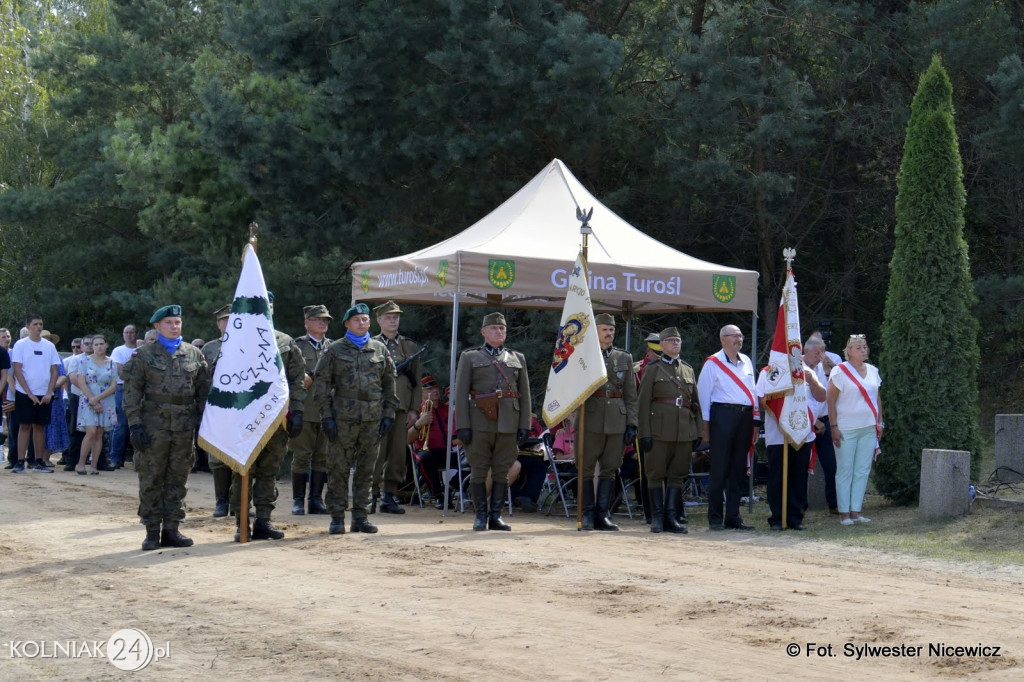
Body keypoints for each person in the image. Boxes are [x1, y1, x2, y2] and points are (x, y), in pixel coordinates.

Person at [123, 305, 210, 551]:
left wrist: (204, 424)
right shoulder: (143, 355)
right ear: (157, 326)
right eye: (169, 322)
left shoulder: (194, 354)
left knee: (178, 478)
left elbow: (203, 392)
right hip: (153, 427)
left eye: (178, 322)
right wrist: (135, 425)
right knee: (151, 477)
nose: (174, 326)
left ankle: (172, 528)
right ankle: (151, 531)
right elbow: (131, 394)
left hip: (184, 427)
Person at [314, 302, 398, 535]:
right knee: (338, 468)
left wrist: (389, 414)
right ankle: (337, 516)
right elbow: (321, 386)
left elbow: (389, 384)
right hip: (343, 420)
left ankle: (361, 516)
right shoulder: (335, 350)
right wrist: (327, 416)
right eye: (357, 320)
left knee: (367, 470)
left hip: (372, 419)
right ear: (347, 324)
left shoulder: (379, 350)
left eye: (365, 319)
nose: (363, 323)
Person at [228, 293, 306, 542]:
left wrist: (298, 411)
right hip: (245, 418)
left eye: (269, 305)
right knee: (243, 471)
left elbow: (296, 379)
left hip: (275, 418)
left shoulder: (285, 341)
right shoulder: (236, 339)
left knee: (268, 471)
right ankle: (242, 524)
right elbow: (223, 380)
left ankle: (263, 521)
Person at [453, 311, 531, 531]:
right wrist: (463, 426)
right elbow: (460, 394)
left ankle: (495, 515)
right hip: (479, 422)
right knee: (479, 470)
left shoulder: (517, 358)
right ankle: (480, 515)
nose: (498, 331)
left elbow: (525, 394)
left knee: (501, 470)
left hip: (508, 422)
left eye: (502, 328)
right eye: (494, 328)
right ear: (483, 332)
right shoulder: (470, 357)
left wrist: (524, 424)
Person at [637, 327, 701, 534]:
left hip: (683, 432)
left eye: (678, 340)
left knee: (677, 475)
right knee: (655, 474)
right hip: (658, 430)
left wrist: (698, 432)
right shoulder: (653, 369)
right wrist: (644, 433)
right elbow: (643, 403)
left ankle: (671, 517)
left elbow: (696, 404)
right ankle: (657, 517)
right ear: (661, 344)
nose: (675, 343)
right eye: (671, 340)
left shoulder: (688, 370)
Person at [697, 324, 759, 531]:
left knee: (738, 469)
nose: (739, 339)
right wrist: (705, 428)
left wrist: (756, 424)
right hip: (722, 415)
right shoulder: (712, 364)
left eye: (740, 336)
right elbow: (703, 398)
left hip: (745, 417)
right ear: (723, 339)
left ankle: (733, 517)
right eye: (734, 336)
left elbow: (753, 393)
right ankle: (715, 517)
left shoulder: (747, 362)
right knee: (719, 468)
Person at [579, 313, 638, 531]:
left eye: (611, 330)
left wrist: (632, 423)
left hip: (617, 418)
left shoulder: (624, 358)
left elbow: (631, 394)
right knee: (585, 467)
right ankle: (586, 514)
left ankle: (602, 515)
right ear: (595, 332)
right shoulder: (583, 355)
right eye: (604, 329)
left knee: (610, 468)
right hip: (590, 417)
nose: (609, 333)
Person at [756, 358, 826, 530]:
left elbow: (822, 396)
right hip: (779, 434)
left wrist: (811, 379)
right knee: (778, 476)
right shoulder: (769, 371)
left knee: (798, 476)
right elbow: (761, 401)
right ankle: (778, 518)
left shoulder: (806, 371)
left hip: (803, 433)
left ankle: (796, 517)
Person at [370, 300, 422, 514]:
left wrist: (414, 409)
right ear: (379, 320)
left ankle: (388, 496)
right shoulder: (370, 344)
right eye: (388, 317)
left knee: (397, 455)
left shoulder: (409, 346)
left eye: (396, 317)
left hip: (401, 408)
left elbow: (416, 380)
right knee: (375, 453)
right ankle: (370, 495)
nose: (393, 320)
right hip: (376, 408)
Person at [827, 334, 883, 526]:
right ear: (849, 351)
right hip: (846, 428)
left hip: (868, 427)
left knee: (862, 470)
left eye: (864, 347)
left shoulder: (873, 371)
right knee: (845, 470)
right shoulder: (839, 371)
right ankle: (844, 513)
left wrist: (880, 422)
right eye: (858, 347)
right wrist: (833, 426)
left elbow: (877, 398)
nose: (863, 350)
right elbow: (831, 400)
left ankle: (856, 511)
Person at [290, 304, 333, 515]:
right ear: (307, 322)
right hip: (305, 409)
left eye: (325, 320)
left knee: (322, 456)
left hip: (326, 410)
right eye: (318, 319)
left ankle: (316, 499)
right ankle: (298, 500)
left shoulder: (334, 347)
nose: (323, 323)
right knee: (301, 456)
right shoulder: (296, 346)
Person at [10, 315, 60, 473]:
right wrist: (29, 393)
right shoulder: (20, 344)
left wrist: (49, 392)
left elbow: (54, 370)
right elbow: (17, 369)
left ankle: (38, 462)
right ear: (28, 326)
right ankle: (19, 461)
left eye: (41, 324)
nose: (38, 327)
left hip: (44, 393)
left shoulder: (49, 346)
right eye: (35, 324)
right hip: (24, 392)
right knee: (24, 426)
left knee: (40, 427)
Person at [200, 304, 232, 517]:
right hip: (217, 409)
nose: (228, 323)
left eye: (233, 319)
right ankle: (222, 501)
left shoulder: (250, 346)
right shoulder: (209, 349)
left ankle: (242, 502)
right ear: (218, 323)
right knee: (218, 458)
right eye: (224, 320)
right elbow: (201, 382)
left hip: (242, 408)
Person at [71, 334, 118, 475]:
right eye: (95, 344)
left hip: (106, 400)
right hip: (88, 399)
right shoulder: (84, 361)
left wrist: (98, 398)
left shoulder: (111, 363)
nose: (98, 346)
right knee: (90, 431)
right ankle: (80, 464)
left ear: (106, 344)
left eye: (101, 344)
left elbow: (113, 385)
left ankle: (93, 466)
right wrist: (92, 399)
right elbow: (81, 381)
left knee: (99, 433)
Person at [408, 375, 457, 508]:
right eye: (429, 389)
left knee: (471, 460)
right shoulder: (417, 411)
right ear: (422, 393)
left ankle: (452, 488)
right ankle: (439, 496)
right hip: (425, 451)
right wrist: (419, 423)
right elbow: (407, 439)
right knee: (425, 459)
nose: (434, 391)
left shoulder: (447, 409)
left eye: (435, 387)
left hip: (447, 451)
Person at [803, 334, 838, 514]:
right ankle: (800, 505)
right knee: (801, 466)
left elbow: (830, 394)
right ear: (805, 351)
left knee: (831, 465)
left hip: (825, 422)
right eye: (817, 353)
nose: (820, 356)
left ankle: (834, 504)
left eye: (822, 352)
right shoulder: (797, 368)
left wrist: (826, 369)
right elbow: (798, 399)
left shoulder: (823, 369)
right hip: (805, 423)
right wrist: (813, 420)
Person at [110, 324, 139, 469]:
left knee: (138, 425)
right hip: (122, 388)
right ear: (123, 335)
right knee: (120, 425)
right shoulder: (118, 351)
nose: (129, 335)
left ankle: (138, 460)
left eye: (131, 332)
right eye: (126, 332)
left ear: (136, 334)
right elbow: (120, 372)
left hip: (140, 390)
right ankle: (115, 458)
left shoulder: (142, 350)